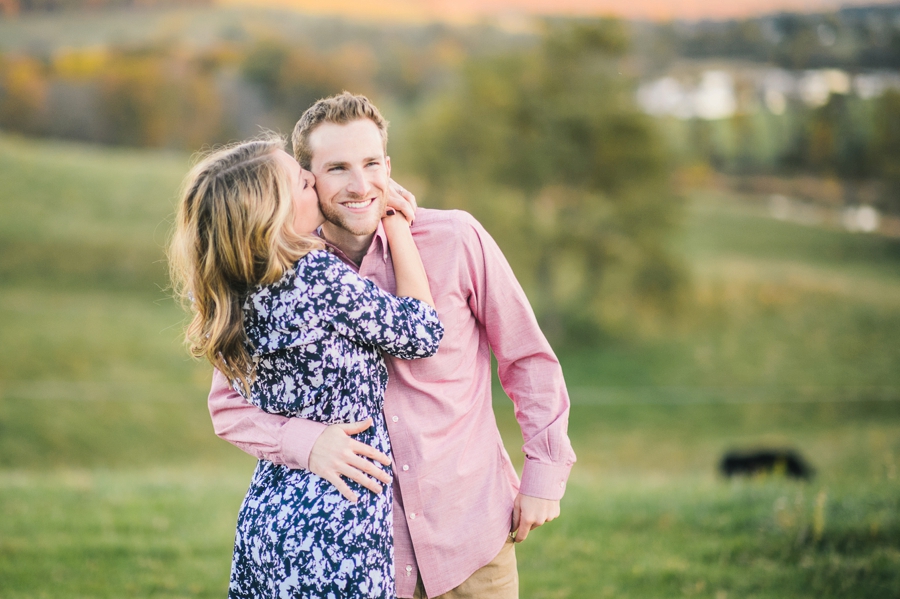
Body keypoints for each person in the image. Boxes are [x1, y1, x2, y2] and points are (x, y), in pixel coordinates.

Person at [208, 93, 576, 599]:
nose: (361, 186)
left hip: (470, 544)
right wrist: (306, 442)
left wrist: (544, 473)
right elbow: (228, 405)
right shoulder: (281, 271)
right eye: (338, 168)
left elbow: (527, 358)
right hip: (356, 559)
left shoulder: (455, 238)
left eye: (372, 164)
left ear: (389, 166)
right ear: (307, 178)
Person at [168, 133, 444, 598]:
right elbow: (421, 332)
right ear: (273, 215)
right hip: (336, 528)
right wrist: (394, 223)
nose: (315, 181)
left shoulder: (229, 291)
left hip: (268, 516)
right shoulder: (314, 277)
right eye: (302, 181)